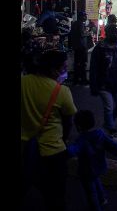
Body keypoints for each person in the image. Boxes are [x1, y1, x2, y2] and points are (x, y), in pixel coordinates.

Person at [21, 50, 77, 210]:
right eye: (64, 68)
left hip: (24, 147)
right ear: (53, 69)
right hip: (52, 151)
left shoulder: (23, 82)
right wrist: (64, 139)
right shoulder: (61, 91)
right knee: (55, 196)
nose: (65, 71)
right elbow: (68, 122)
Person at [68, 110, 117, 211]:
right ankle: (102, 198)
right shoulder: (100, 134)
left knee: (91, 192)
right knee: (96, 180)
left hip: (86, 171)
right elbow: (114, 147)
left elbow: (72, 151)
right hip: (99, 167)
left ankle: (96, 207)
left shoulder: (81, 139)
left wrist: (63, 150)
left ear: (78, 126)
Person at [89, 24, 117, 143]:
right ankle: (112, 132)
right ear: (108, 33)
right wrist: (94, 84)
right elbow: (94, 67)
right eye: (115, 32)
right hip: (104, 83)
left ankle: (108, 123)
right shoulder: (99, 48)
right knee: (109, 107)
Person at [69, 12, 90, 86]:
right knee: (82, 64)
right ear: (82, 17)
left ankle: (76, 80)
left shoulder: (74, 23)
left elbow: (71, 35)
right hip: (81, 47)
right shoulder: (81, 24)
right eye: (85, 16)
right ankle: (83, 80)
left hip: (76, 46)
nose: (86, 17)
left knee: (77, 63)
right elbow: (82, 34)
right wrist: (88, 33)